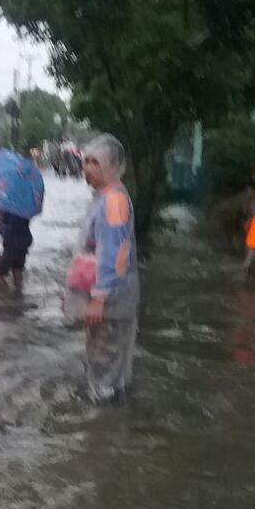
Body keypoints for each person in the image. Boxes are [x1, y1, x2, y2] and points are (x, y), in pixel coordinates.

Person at [77, 134, 140, 403]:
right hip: (109, 298)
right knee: (108, 367)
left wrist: (99, 298)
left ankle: (102, 436)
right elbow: (91, 250)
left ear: (114, 166)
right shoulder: (104, 197)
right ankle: (110, 426)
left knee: (105, 371)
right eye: (86, 161)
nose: (87, 168)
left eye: (95, 162)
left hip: (112, 302)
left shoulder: (113, 200)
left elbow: (113, 252)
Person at [0, 212, 33, 290]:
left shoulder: (7, 206)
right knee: (17, 269)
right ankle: (18, 293)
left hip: (11, 242)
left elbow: (2, 220)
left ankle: (4, 295)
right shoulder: (26, 207)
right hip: (23, 241)